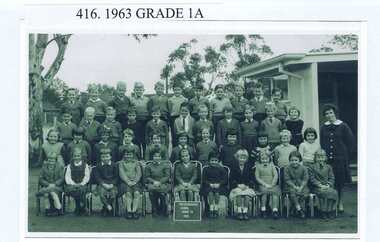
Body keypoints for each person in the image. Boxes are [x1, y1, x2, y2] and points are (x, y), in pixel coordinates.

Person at [319, 104, 355, 213]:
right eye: (326, 114)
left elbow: (351, 142)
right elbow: (322, 142)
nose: (329, 115)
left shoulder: (343, 126)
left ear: (335, 113)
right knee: (330, 182)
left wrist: (345, 155)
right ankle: (332, 202)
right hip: (328, 160)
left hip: (340, 159)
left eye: (331, 112)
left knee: (339, 182)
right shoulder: (323, 127)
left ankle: (340, 203)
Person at [309, 149, 338, 219]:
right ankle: (323, 211)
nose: (320, 159)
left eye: (322, 157)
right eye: (318, 157)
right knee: (324, 193)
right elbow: (312, 178)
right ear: (315, 158)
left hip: (327, 186)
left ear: (325, 158)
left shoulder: (328, 167)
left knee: (334, 192)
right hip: (317, 187)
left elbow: (332, 177)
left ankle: (330, 210)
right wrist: (320, 185)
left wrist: (328, 184)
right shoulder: (312, 167)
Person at [229, 149, 256, 220]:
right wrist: (238, 185)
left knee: (247, 196)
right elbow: (231, 179)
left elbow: (252, 179)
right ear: (237, 158)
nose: (242, 159)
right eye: (240, 157)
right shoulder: (233, 167)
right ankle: (239, 212)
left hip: (247, 187)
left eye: (244, 158)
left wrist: (247, 185)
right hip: (237, 186)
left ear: (246, 159)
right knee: (239, 195)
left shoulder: (249, 167)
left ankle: (245, 212)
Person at [145, 147, 171, 217]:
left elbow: (167, 176)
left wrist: (159, 182)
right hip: (152, 183)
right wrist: (154, 182)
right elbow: (147, 177)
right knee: (152, 191)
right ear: (152, 157)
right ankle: (155, 209)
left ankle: (163, 209)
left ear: (161, 157)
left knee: (162, 191)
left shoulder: (165, 165)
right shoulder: (148, 166)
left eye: (158, 156)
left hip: (163, 183)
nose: (157, 158)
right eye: (155, 156)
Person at [201, 151, 228, 218]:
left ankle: (215, 209)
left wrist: (219, 184)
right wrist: (210, 184)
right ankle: (211, 209)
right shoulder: (206, 169)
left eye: (216, 160)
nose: (214, 162)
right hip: (208, 186)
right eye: (212, 160)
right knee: (210, 193)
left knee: (216, 193)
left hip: (219, 186)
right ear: (209, 161)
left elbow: (225, 180)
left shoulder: (222, 169)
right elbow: (204, 180)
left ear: (218, 161)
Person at [64, 148, 91, 215]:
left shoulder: (85, 165)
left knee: (81, 190)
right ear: (72, 157)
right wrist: (73, 184)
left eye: (78, 156)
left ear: (81, 157)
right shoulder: (69, 166)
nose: (76, 157)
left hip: (82, 184)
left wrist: (81, 184)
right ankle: (82, 206)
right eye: (75, 156)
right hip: (72, 185)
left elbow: (87, 176)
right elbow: (67, 177)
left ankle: (78, 207)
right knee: (72, 190)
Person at [254, 152, 281, 219]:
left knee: (275, 194)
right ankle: (263, 209)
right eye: (263, 159)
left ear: (269, 159)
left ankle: (275, 210)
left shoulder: (272, 166)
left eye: (266, 159)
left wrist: (272, 184)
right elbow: (257, 177)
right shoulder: (258, 167)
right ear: (260, 159)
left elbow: (275, 176)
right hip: (262, 185)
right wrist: (264, 184)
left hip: (272, 184)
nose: (265, 160)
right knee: (264, 193)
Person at [118, 146, 143, 219]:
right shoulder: (121, 163)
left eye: (130, 154)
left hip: (135, 182)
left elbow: (139, 173)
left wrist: (135, 181)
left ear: (133, 155)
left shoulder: (136, 163)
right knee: (128, 194)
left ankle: (134, 211)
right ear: (124, 155)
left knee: (136, 193)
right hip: (125, 183)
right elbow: (121, 173)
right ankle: (129, 211)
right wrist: (128, 181)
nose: (128, 156)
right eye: (126, 154)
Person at [283, 151, 309, 218]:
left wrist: (301, 187)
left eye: (296, 160)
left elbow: (305, 179)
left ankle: (294, 207)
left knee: (305, 193)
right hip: (290, 186)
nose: (294, 162)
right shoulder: (287, 168)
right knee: (292, 192)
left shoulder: (304, 168)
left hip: (302, 186)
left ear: (299, 160)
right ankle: (299, 209)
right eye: (292, 160)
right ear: (289, 160)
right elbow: (287, 179)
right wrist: (294, 186)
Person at [93, 148, 118, 216]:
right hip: (102, 184)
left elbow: (116, 177)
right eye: (103, 157)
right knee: (102, 194)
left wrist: (112, 184)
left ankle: (105, 207)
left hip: (112, 184)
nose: (105, 158)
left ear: (110, 157)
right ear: (100, 158)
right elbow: (97, 178)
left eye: (107, 156)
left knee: (113, 194)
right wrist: (103, 184)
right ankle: (108, 206)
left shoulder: (114, 165)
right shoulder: (98, 166)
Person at [130, 82, 150, 154]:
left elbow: (149, 110)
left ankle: (145, 155)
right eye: (137, 89)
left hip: (145, 121)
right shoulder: (131, 99)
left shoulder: (147, 99)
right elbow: (131, 111)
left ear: (143, 90)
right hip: (136, 121)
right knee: (136, 139)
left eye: (140, 89)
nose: (139, 91)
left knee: (144, 139)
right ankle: (137, 155)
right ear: (134, 90)